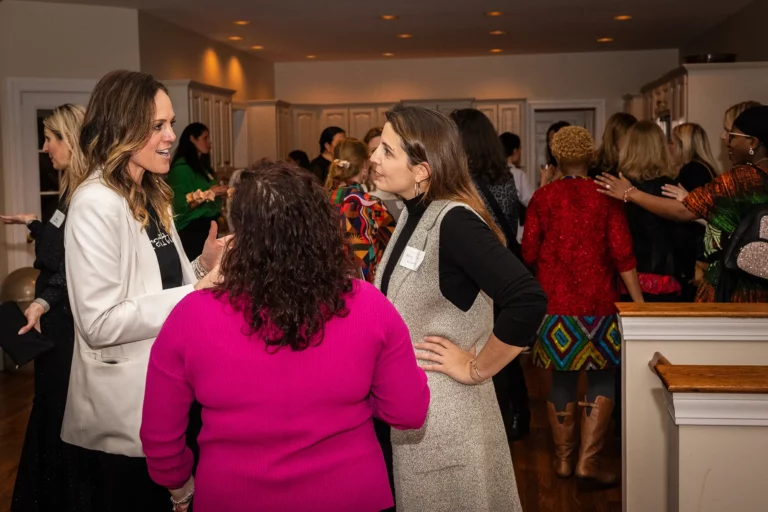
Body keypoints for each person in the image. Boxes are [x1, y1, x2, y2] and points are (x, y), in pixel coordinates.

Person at [140, 163, 428, 512]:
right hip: (351, 494)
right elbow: (409, 410)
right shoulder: (368, 305)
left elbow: (160, 442)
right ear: (321, 226)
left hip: (233, 496)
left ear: (240, 234)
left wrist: (182, 489)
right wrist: (354, 401)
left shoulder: (191, 316)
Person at [62, 69, 228, 512]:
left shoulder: (151, 192)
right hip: (125, 417)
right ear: (121, 128)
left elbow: (160, 286)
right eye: (157, 126)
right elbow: (98, 323)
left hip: (171, 390)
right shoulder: (95, 202)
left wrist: (201, 266)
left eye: (170, 123)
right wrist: (198, 292)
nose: (171, 136)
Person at [370, 105, 548, 512]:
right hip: (419, 413)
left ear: (422, 170)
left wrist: (476, 367)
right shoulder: (414, 213)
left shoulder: (454, 221)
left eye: (387, 150)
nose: (375, 159)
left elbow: (527, 298)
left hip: (447, 418)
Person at [522, 126, 643, 486]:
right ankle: (588, 463)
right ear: (591, 156)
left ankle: (563, 461)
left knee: (561, 379)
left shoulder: (543, 199)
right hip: (600, 306)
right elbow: (623, 254)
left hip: (555, 306)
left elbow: (528, 252)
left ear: (557, 158)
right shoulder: (606, 198)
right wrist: (639, 303)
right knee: (602, 378)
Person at [1, 104, 87, 511]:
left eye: (51, 138)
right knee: (50, 407)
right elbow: (62, 243)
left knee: (59, 411)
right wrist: (34, 224)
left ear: (70, 139)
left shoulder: (87, 194)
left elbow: (74, 266)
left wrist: (41, 300)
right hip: (54, 319)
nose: (45, 147)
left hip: (67, 322)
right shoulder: (69, 190)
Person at [597, 105, 768, 303]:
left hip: (736, 290)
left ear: (753, 143)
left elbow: (682, 212)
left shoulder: (743, 179)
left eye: (732, 136)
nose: (725, 141)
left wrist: (630, 193)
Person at [452, 109, 530, 442]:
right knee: (504, 348)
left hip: (478, 272)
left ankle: (497, 423)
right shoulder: (505, 176)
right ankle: (519, 415)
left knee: (483, 348)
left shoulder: (462, 183)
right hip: (504, 267)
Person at [327, 138, 396, 283]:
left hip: (328, 286)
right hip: (365, 289)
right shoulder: (371, 205)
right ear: (364, 166)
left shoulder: (319, 201)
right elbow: (394, 245)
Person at [668, 123, 719, 300]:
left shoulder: (693, 170)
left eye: (673, 143)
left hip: (695, 252)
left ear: (685, 146)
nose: (670, 148)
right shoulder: (706, 168)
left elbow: (688, 212)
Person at [167, 122, 228, 259]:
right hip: (192, 230)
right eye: (205, 138)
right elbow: (180, 206)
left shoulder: (202, 167)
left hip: (208, 226)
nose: (209, 142)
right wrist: (209, 193)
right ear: (192, 139)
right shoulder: (180, 169)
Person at [500, 132, 533, 245]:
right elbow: (532, 202)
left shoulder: (492, 173)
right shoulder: (518, 174)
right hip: (515, 233)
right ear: (515, 151)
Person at [588, 112, 637, 179]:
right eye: (627, 138)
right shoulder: (595, 168)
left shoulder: (638, 166)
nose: (632, 143)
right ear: (614, 138)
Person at [540, 121, 571, 186]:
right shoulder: (552, 168)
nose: (550, 144)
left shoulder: (571, 168)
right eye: (549, 140)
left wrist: (544, 180)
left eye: (553, 139)